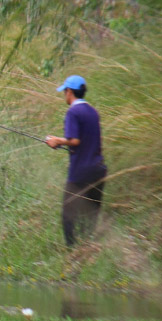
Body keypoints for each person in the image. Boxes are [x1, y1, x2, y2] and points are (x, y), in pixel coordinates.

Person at [45, 75, 107, 247]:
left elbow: (75, 140)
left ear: (70, 91)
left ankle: (72, 253)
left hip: (81, 172)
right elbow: (86, 141)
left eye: (65, 91)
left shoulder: (73, 112)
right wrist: (63, 144)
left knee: (68, 214)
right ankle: (88, 249)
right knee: (91, 214)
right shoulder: (92, 111)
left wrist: (57, 141)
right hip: (98, 170)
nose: (64, 95)